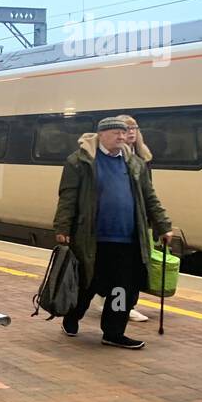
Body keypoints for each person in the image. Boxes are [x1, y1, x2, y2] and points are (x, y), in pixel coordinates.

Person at [54, 115, 174, 349]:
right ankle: (72, 315)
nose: (122, 137)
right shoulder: (80, 161)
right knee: (87, 284)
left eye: (124, 132)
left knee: (123, 288)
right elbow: (67, 197)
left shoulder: (135, 164)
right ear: (102, 135)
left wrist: (163, 226)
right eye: (116, 133)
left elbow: (150, 198)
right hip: (92, 238)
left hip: (128, 239)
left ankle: (113, 331)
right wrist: (62, 227)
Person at [119, 114, 154, 323]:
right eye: (126, 128)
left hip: (138, 221)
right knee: (121, 270)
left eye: (134, 128)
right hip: (120, 222)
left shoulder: (143, 157)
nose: (131, 132)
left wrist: (156, 222)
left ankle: (125, 305)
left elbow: (149, 193)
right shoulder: (114, 157)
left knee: (133, 268)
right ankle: (120, 307)